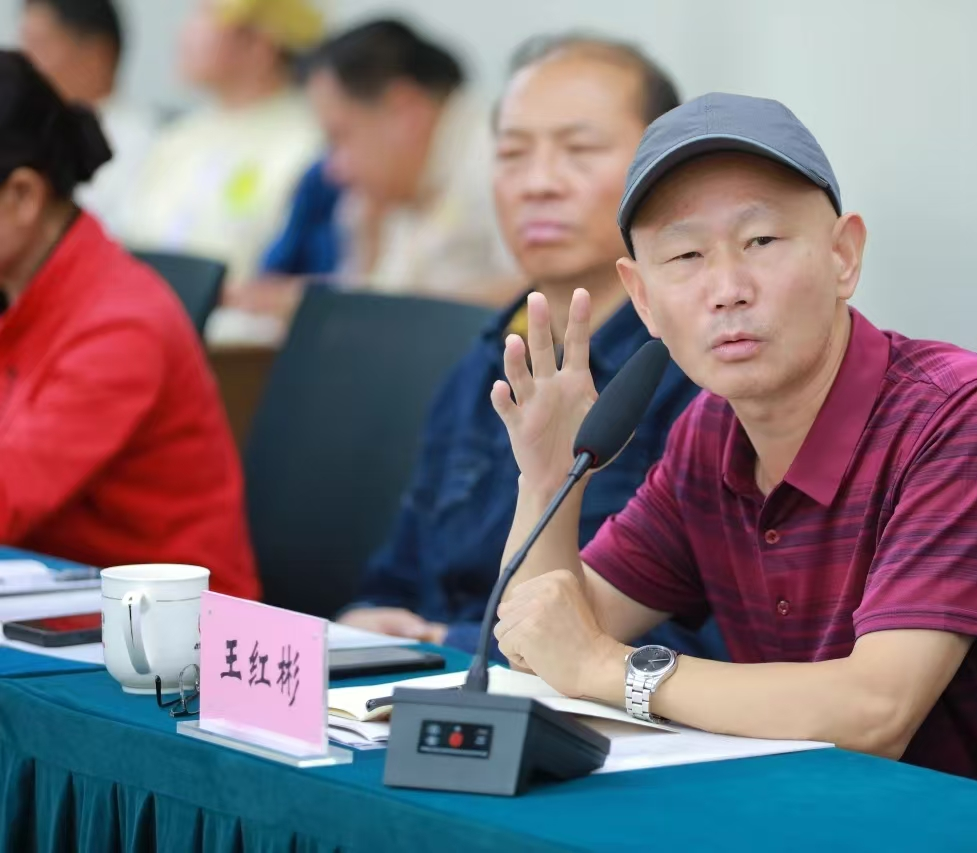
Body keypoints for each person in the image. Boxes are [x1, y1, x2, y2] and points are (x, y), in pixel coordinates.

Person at [487, 92, 977, 822]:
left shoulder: (963, 413)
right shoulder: (708, 433)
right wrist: (547, 478)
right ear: (644, 299)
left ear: (844, 256)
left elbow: (875, 711)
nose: (728, 290)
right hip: (833, 819)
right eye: (686, 256)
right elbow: (540, 639)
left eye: (761, 242)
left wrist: (604, 665)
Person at [338, 35, 724, 663]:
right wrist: (364, 623)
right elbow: (398, 575)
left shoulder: (704, 373)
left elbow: (708, 642)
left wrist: (448, 643)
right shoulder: (484, 359)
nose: (538, 183)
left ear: (662, 173)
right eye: (513, 154)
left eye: (579, 150)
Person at [0, 51, 259, 600]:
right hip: (58, 604)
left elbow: (7, 499)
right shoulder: (19, 290)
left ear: (22, 196)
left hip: (179, 634)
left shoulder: (120, 323)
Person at [257, 19, 519, 306]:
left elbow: (537, 291)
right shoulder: (391, 186)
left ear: (406, 112)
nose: (332, 170)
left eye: (339, 137)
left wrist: (337, 310)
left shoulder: (504, 159)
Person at [119, 0, 324, 285]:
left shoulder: (311, 146)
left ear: (260, 45)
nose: (184, 33)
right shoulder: (179, 137)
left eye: (206, 14)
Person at [19, 0, 156, 235]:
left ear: (97, 55)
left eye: (39, 45)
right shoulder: (24, 133)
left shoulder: (143, 147)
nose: (24, 63)